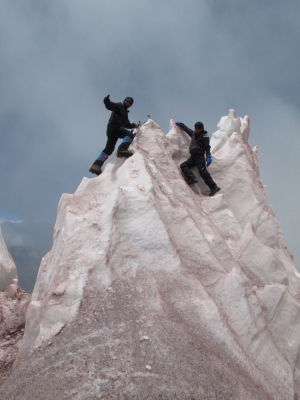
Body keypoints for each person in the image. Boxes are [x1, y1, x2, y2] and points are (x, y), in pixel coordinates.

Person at [89, 95, 140, 175]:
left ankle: (96, 165)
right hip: (114, 127)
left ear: (131, 105)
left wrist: (135, 125)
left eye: (130, 103)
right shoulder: (119, 106)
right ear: (124, 101)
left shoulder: (125, 114)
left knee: (109, 149)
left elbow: (127, 124)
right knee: (129, 134)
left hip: (113, 130)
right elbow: (111, 106)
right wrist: (107, 102)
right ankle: (122, 150)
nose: (128, 103)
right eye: (127, 101)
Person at [175, 121, 220, 196]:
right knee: (183, 165)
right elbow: (187, 130)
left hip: (200, 156)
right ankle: (192, 178)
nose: (196, 130)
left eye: (198, 129)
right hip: (193, 157)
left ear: (201, 129)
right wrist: (181, 125)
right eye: (195, 128)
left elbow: (207, 147)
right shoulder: (193, 134)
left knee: (202, 172)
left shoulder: (204, 137)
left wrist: (208, 156)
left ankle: (214, 187)